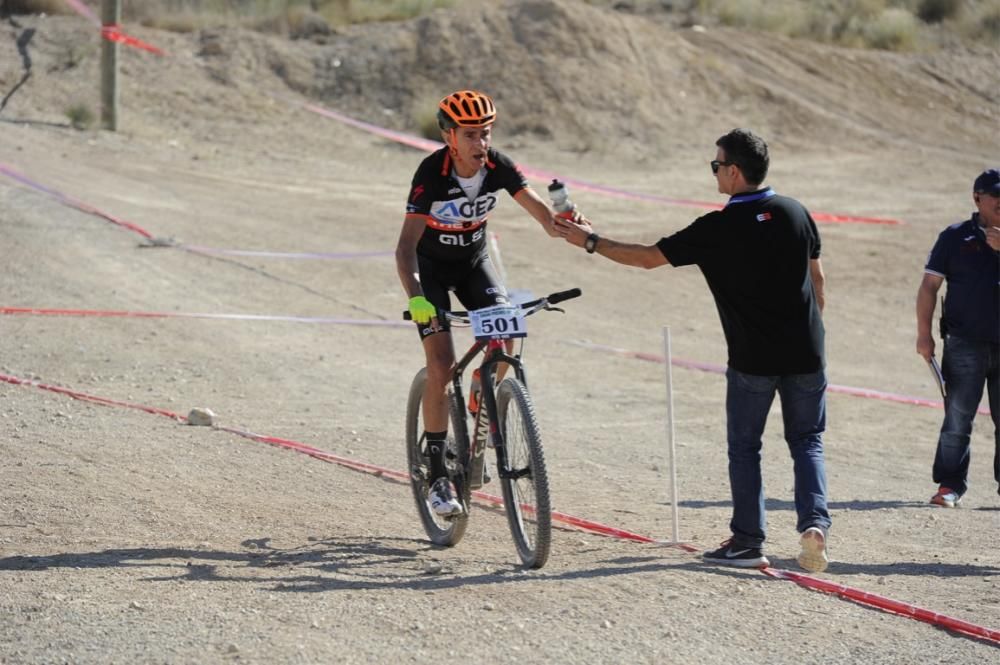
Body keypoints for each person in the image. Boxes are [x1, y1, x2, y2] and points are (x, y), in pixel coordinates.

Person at [554, 128, 831, 573]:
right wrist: (811, 333)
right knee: (808, 442)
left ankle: (747, 541)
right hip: (808, 353)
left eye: (717, 164)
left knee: (745, 448)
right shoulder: (796, 212)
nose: (715, 172)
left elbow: (646, 258)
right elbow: (817, 281)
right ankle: (815, 526)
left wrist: (589, 240)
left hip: (753, 360)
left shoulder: (717, 227)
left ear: (735, 172)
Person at [395, 90, 563, 516]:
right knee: (440, 365)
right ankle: (436, 473)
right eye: (470, 134)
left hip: (473, 264)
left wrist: (567, 223)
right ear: (449, 135)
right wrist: (417, 300)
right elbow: (405, 249)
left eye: (485, 133)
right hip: (430, 271)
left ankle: (477, 400)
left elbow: (542, 214)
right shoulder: (431, 173)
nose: (480, 143)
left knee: (504, 344)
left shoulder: (497, 167)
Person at [916, 168, 1000, 509]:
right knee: (957, 417)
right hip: (964, 343)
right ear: (977, 198)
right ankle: (949, 486)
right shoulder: (953, 237)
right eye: (995, 196)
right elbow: (929, 286)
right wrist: (924, 334)